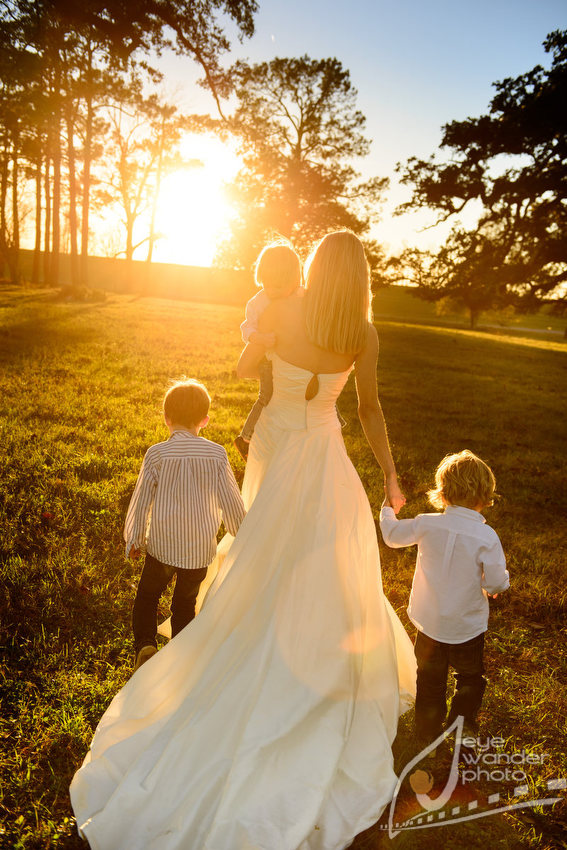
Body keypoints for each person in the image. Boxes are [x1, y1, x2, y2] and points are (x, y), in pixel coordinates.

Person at [70, 230, 416, 850]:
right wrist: (389, 475)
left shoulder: (282, 309)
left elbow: (250, 372)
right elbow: (368, 409)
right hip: (324, 453)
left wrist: (262, 378)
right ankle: (310, 653)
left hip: (276, 447)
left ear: (314, 267)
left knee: (265, 552)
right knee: (327, 563)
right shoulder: (363, 335)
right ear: (360, 277)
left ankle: (258, 632)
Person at [379, 449, 509, 747]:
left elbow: (392, 536)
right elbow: (498, 581)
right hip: (467, 627)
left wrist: (387, 509)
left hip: (429, 624)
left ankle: (426, 731)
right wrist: (494, 586)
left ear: (444, 492)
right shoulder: (486, 537)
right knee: (469, 678)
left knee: (429, 680)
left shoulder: (427, 523)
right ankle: (462, 727)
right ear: (485, 494)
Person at [124, 378, 246, 672]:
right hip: (198, 550)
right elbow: (231, 501)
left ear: (166, 418)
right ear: (204, 420)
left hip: (163, 546)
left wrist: (135, 539)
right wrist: (241, 533)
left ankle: (145, 644)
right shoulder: (217, 454)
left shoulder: (157, 454)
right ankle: (180, 657)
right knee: (184, 604)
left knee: (148, 596)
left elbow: (141, 500)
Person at [234, 242, 302, 460]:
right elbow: (247, 328)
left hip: (292, 359)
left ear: (294, 279)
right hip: (267, 360)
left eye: (279, 285)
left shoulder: (301, 297)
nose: (272, 290)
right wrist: (260, 338)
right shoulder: (258, 302)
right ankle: (246, 438)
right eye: (267, 283)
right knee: (267, 396)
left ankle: (332, 421)